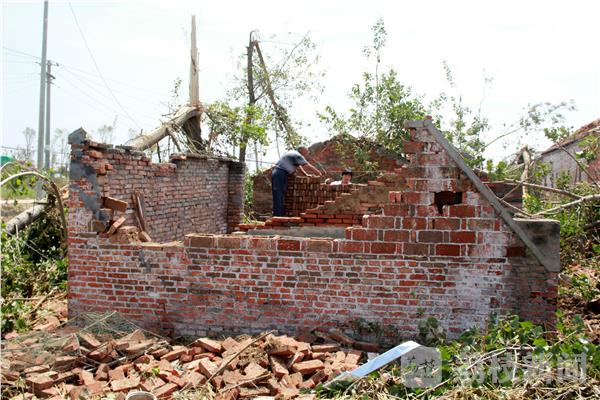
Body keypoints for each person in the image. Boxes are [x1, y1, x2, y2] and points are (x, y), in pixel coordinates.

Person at [271, 147, 321, 217]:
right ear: (301, 150)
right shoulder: (297, 155)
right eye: (306, 151)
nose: (308, 152)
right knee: (278, 194)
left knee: (281, 194)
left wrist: (305, 174)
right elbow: (307, 165)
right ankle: (277, 216)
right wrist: (319, 173)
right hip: (280, 173)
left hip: (281, 173)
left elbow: (299, 166)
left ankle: (280, 215)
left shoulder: (292, 153)